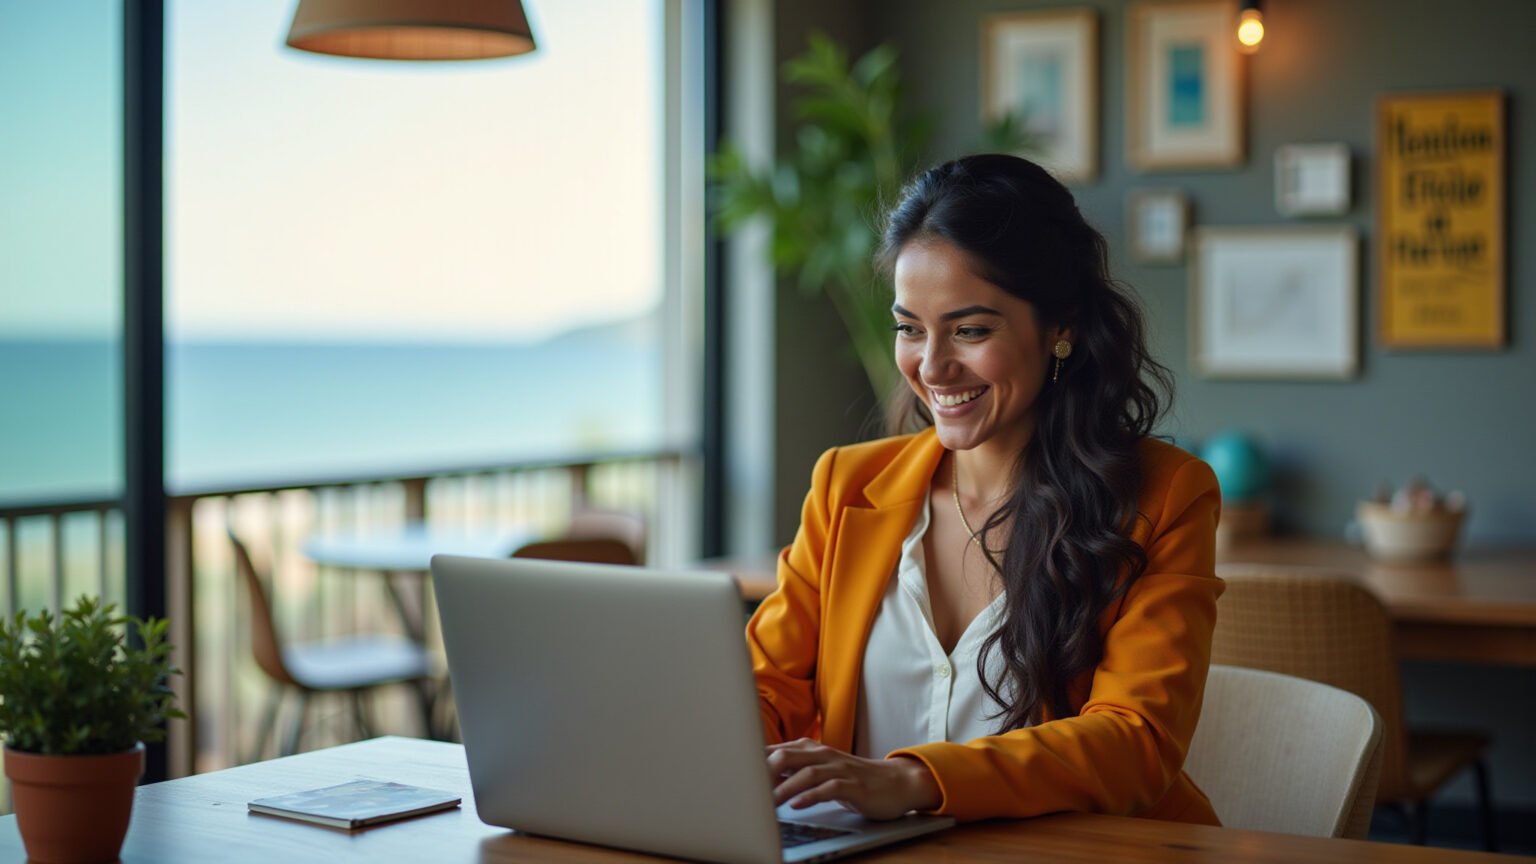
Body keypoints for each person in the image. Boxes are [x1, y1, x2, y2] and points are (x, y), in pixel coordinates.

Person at [747, 154, 1223, 825]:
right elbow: (766, 689)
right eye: (910, 328)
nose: (932, 365)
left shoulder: (1166, 496)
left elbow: (1135, 740)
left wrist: (910, 780)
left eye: (970, 330)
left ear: (1061, 327)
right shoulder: (845, 487)